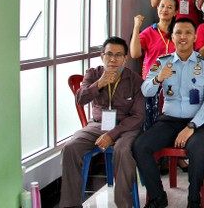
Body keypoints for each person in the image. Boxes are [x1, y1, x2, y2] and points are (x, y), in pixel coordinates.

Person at [132, 18, 204, 208]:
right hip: (168, 121)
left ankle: (193, 199)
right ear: (172, 37)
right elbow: (146, 91)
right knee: (140, 146)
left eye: (188, 32)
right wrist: (157, 80)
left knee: (197, 150)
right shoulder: (163, 62)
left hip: (197, 123)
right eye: (178, 32)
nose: (183, 36)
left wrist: (191, 126)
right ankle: (157, 197)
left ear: (195, 37)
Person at [60, 37, 144, 208]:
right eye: (109, 54)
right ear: (102, 56)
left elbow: (138, 117)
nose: (113, 59)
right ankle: (70, 205)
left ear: (125, 58)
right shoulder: (93, 74)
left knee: (123, 150)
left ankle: (123, 204)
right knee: (70, 148)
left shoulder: (135, 80)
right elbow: (80, 99)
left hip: (125, 127)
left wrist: (111, 135)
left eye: (118, 55)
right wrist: (99, 84)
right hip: (97, 124)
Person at [130, 0, 178, 130]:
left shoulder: (178, 32)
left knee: (171, 123)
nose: (165, 10)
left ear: (175, 12)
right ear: (157, 8)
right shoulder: (149, 32)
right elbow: (135, 53)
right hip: (154, 84)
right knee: (153, 123)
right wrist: (136, 26)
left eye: (170, 7)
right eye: (162, 6)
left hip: (175, 84)